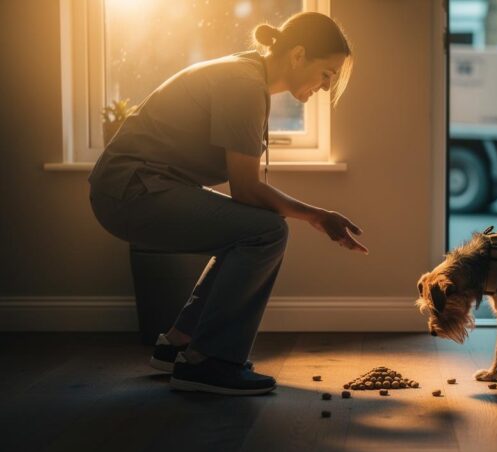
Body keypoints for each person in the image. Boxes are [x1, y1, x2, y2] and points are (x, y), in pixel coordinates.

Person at [88, 12, 366, 396]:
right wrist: (316, 215)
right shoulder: (243, 85)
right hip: (131, 191)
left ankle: (180, 344)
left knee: (252, 229)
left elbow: (247, 194)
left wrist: (310, 215)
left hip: (135, 188)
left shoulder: (249, 79)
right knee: (266, 231)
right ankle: (209, 362)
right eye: (327, 74)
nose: (325, 86)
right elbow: (247, 190)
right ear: (299, 55)